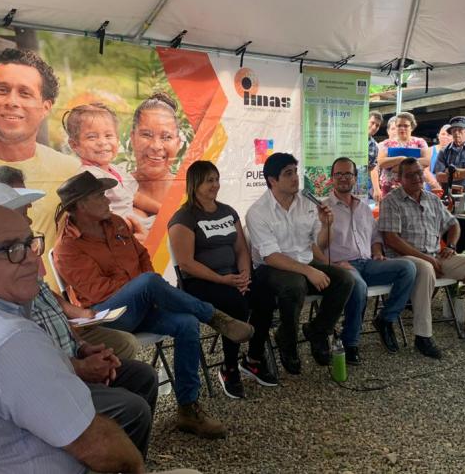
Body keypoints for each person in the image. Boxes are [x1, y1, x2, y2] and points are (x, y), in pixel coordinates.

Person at [0, 203, 147, 473]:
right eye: (12, 250)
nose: (34, 260)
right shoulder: (6, 340)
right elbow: (102, 450)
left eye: (30, 244)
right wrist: (136, 465)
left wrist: (80, 349)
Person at [0, 177, 158, 456]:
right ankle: (106, 457)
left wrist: (83, 346)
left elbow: (52, 308)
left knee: (144, 375)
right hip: (48, 385)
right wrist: (78, 366)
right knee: (133, 408)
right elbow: (24, 366)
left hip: (67, 360)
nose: (29, 225)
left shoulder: (18, 263)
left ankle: (125, 457)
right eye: (21, 218)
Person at [53, 171, 254, 439]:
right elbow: (97, 290)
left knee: (186, 323)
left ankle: (188, 407)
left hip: (142, 306)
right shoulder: (68, 247)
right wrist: (146, 289)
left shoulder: (116, 223)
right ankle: (214, 316)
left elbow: (142, 255)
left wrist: (149, 289)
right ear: (79, 206)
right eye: (99, 195)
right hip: (108, 316)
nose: (107, 199)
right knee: (149, 282)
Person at [0, 166, 143, 360]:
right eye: (20, 199)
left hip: (72, 326)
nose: (29, 208)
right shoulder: (63, 246)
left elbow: (43, 289)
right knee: (150, 287)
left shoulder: (115, 222)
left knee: (180, 323)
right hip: (48, 343)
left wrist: (77, 320)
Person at [168, 160, 278, 398]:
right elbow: (186, 263)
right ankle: (228, 368)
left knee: (265, 296)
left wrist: (245, 274)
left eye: (216, 179)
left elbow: (240, 248)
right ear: (194, 183)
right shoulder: (184, 218)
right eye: (209, 180)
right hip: (199, 283)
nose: (215, 185)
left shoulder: (228, 211)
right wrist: (224, 280)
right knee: (236, 303)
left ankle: (254, 359)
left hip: (234, 277)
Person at [0, 48, 80, 287]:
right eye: (2, 90)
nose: (12, 102)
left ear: (46, 107)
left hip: (53, 303)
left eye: (25, 93)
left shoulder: (69, 169)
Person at [245, 153, 354, 375]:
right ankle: (288, 339)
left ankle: (317, 331)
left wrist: (325, 226)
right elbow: (271, 256)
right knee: (295, 285)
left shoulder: (307, 203)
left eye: (295, 171)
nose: (295, 178)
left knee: (344, 280)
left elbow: (319, 244)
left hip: (303, 263)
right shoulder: (258, 212)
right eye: (288, 174)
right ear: (272, 180)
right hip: (270, 270)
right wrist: (309, 271)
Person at [379, 158, 465, 358]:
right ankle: (422, 336)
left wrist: (451, 246)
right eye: (410, 175)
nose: (417, 178)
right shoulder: (391, 201)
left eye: (419, 173)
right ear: (399, 179)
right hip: (404, 259)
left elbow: (453, 224)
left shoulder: (431, 198)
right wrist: (427, 259)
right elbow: (391, 240)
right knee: (424, 267)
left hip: (434, 256)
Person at [322, 157, 417, 363]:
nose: (343, 178)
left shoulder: (364, 207)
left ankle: (386, 319)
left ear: (356, 178)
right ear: (331, 179)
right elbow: (314, 245)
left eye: (348, 174)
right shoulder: (323, 208)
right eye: (338, 174)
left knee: (408, 267)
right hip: (342, 267)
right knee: (358, 285)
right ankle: (351, 342)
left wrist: (377, 252)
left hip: (368, 262)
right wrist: (332, 265)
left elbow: (375, 237)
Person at [64, 102, 150, 241]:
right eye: (92, 137)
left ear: (117, 139)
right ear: (75, 145)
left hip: (134, 221)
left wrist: (162, 208)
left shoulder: (117, 170)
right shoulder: (88, 177)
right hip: (116, 232)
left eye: (108, 135)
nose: (102, 142)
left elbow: (136, 196)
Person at [131, 92, 184, 215]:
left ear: (178, 143)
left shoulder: (191, 192)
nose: (156, 146)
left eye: (166, 137)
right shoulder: (117, 190)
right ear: (133, 138)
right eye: (146, 134)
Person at [376, 112, 440, 197]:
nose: (402, 128)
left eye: (405, 126)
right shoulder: (386, 144)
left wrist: (397, 167)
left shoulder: (420, 142)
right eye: (399, 125)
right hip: (390, 188)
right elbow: (381, 162)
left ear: (412, 127)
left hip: (414, 186)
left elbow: (427, 161)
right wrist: (401, 159)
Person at [434, 117, 465, 191]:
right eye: (454, 130)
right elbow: (439, 177)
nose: (456, 133)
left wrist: (450, 173)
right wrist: (464, 172)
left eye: (460, 130)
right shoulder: (444, 151)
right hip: (448, 193)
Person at [368, 111, 383, 202]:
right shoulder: (351, 136)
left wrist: (377, 189)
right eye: (372, 123)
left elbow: (373, 167)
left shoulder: (374, 145)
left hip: (361, 184)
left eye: (377, 125)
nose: (374, 127)